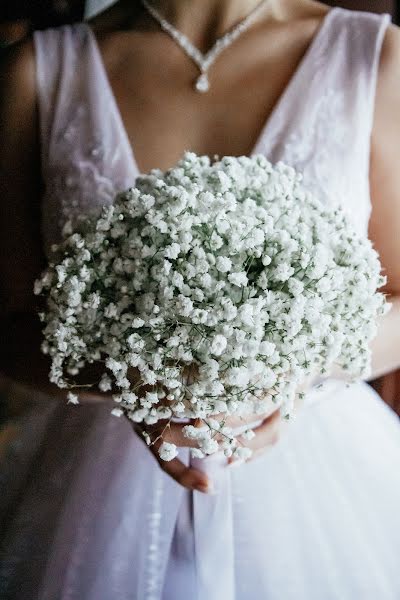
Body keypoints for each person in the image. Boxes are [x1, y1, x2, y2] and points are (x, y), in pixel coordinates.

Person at [1, 0, 400, 598]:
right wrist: (125, 381)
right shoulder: (35, 72)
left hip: (319, 486)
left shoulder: (375, 58)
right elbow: (8, 325)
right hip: (90, 489)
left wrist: (296, 376)